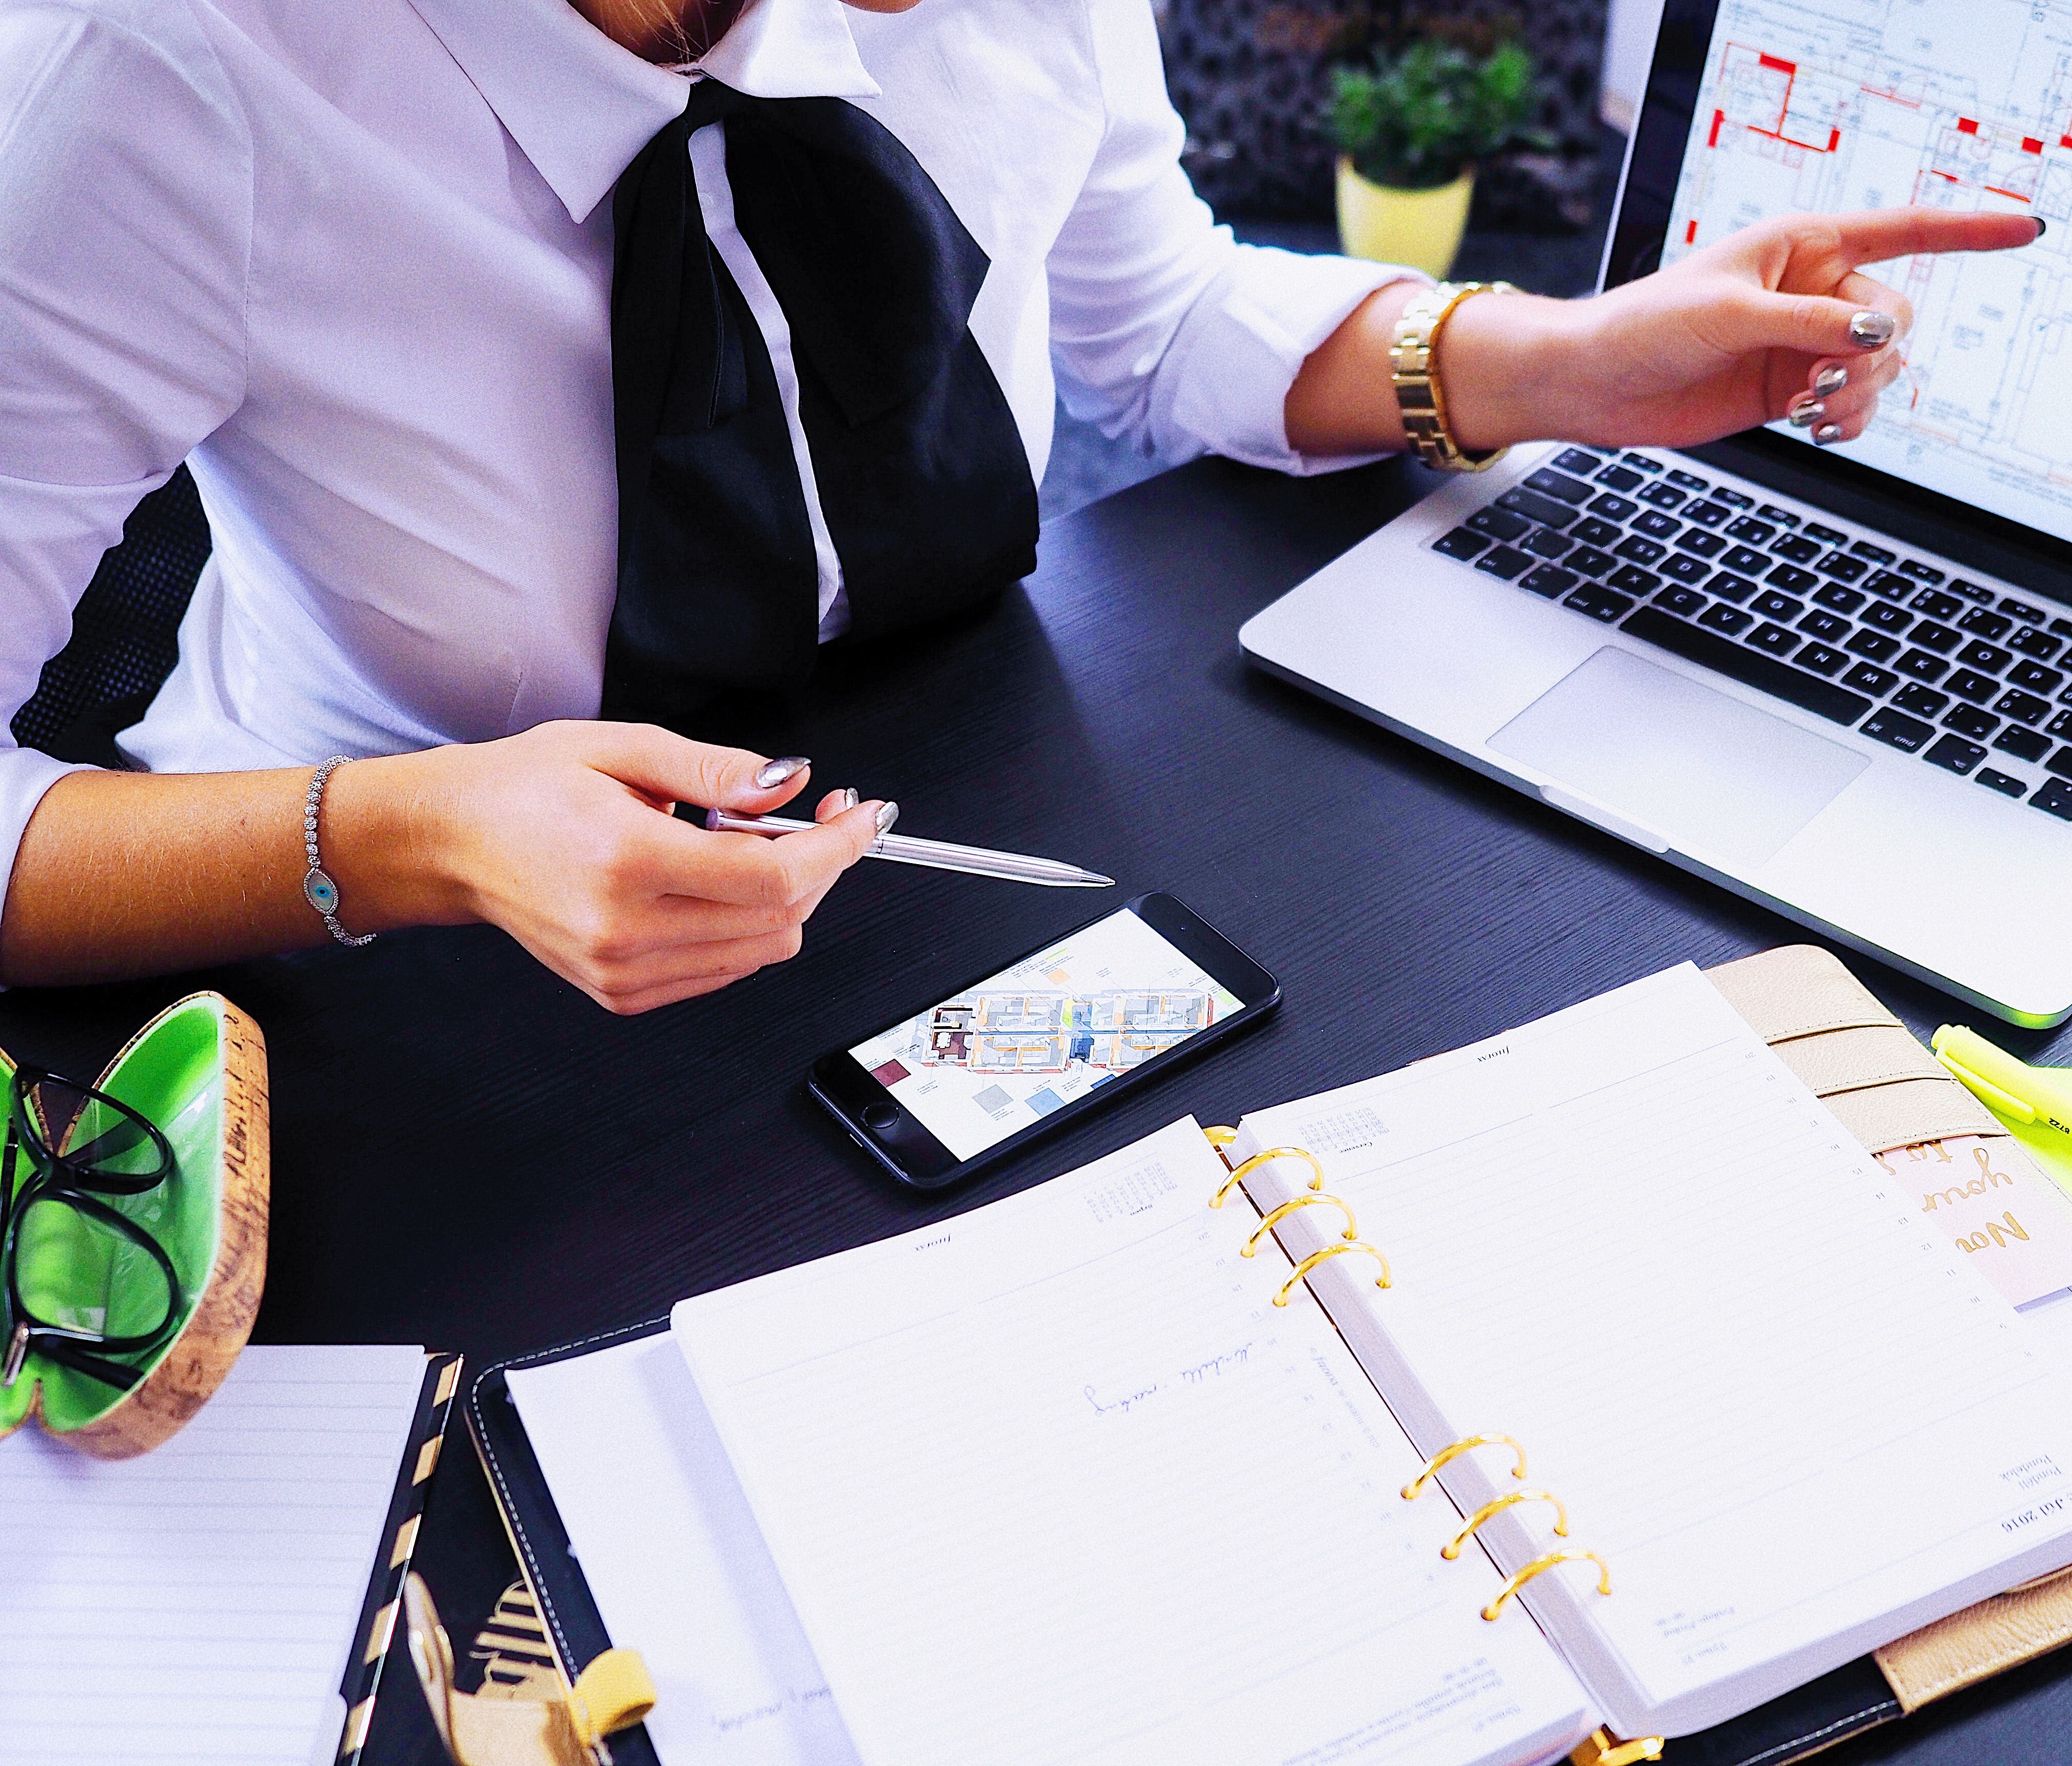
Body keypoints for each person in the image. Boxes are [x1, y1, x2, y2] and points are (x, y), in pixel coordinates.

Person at [0, 0, 2039, 1013]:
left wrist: (1544, 361)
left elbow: (1149, 321)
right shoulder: (158, 81)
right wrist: (423, 831)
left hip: (961, 821)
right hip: (403, 979)